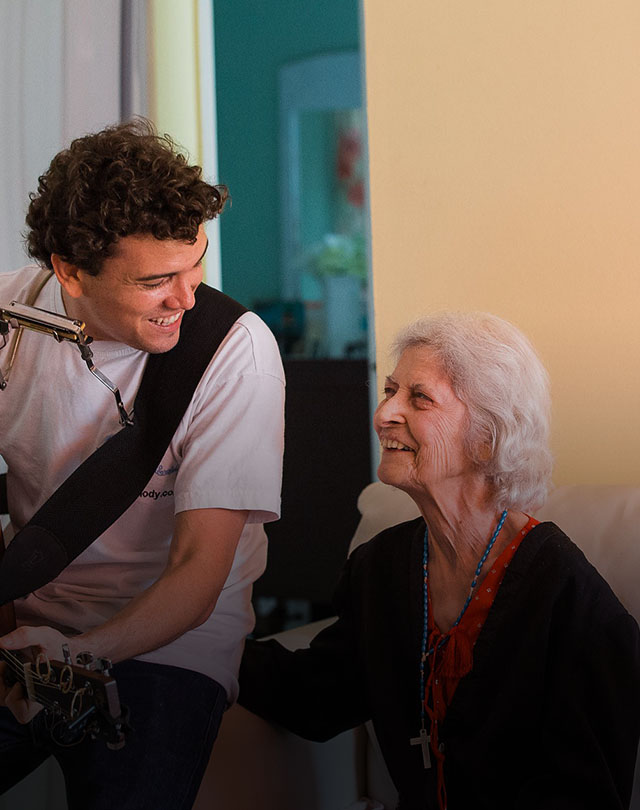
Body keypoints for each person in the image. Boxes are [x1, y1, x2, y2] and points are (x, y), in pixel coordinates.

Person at [239, 311, 640, 809]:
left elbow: (585, 795)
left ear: (488, 438)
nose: (384, 413)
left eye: (419, 398)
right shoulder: (380, 569)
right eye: (390, 390)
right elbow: (318, 696)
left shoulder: (575, 605)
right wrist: (200, 640)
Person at [0, 120, 285, 809]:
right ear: (69, 270)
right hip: (30, 618)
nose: (186, 299)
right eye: (157, 281)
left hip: (172, 639)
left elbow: (197, 577)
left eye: (196, 265)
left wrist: (79, 654)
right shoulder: (10, 321)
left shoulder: (234, 351)